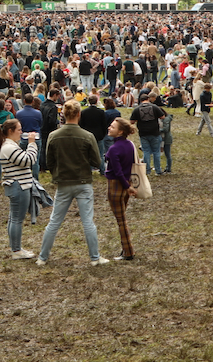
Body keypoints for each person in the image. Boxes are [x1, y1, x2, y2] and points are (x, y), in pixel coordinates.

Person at [37, 101, 110, 267]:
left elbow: (49, 161)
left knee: (54, 221)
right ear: (79, 114)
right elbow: (97, 161)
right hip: (83, 181)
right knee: (88, 222)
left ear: (63, 114)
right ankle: (94, 257)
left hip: (63, 182)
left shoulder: (54, 136)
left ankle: (43, 257)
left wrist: (57, 174)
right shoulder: (87, 136)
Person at [0, 118, 39, 259]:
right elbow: (28, 160)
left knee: (13, 218)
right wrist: (32, 144)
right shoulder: (9, 147)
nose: (22, 132)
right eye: (19, 129)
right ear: (10, 131)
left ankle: (15, 248)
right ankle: (16, 250)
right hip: (18, 186)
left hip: (16, 185)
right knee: (17, 220)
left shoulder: (10, 145)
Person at [103, 118, 139, 261]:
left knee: (121, 220)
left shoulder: (113, 149)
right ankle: (126, 250)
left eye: (112, 127)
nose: (109, 128)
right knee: (122, 217)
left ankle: (128, 251)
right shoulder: (129, 145)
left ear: (120, 131)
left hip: (117, 185)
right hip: (127, 182)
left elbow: (117, 172)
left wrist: (126, 186)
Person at [129, 91, 166, 176]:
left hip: (143, 133)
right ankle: (158, 170)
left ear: (140, 100)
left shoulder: (137, 109)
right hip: (155, 132)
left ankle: (147, 170)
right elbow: (162, 116)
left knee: (146, 151)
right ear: (148, 99)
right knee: (156, 152)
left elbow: (131, 121)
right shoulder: (154, 107)